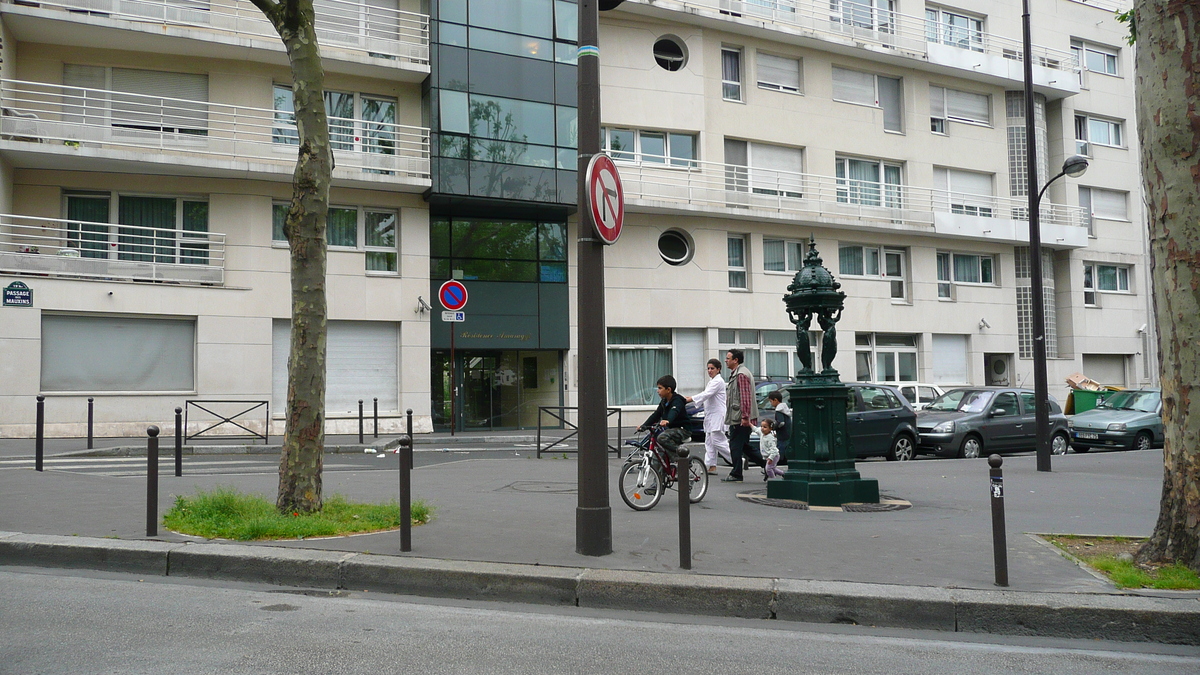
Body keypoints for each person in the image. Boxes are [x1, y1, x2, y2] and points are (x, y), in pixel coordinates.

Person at [722, 349, 763, 482]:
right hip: (739, 416)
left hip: (739, 417)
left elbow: (745, 398)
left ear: (736, 360)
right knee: (744, 446)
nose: (726, 360)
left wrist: (745, 417)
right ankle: (767, 466)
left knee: (735, 445)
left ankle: (736, 473)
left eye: (728, 358)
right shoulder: (738, 373)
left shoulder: (741, 374)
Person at [685, 359, 731, 475]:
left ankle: (738, 461)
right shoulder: (712, 381)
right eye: (708, 368)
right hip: (711, 416)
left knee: (718, 441)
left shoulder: (718, 381)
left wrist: (690, 399)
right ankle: (710, 465)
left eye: (712, 368)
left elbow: (706, 394)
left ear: (718, 369)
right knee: (709, 441)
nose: (710, 371)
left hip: (717, 415)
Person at [637, 375, 691, 458]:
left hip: (683, 429)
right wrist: (644, 426)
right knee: (658, 455)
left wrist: (668, 420)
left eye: (660, 388)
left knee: (662, 437)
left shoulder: (677, 401)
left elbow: (674, 411)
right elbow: (656, 415)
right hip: (670, 429)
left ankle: (683, 454)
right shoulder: (664, 401)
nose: (657, 391)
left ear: (668, 390)